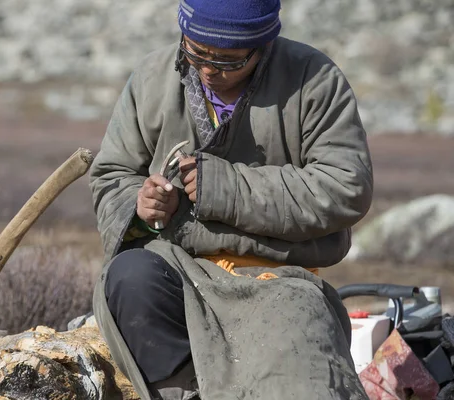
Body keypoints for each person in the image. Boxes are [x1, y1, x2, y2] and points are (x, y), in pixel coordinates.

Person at [89, 0, 373, 399]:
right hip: (176, 266)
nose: (208, 70)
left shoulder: (314, 79)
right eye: (196, 52)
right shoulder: (151, 78)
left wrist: (225, 188)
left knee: (296, 359)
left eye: (228, 61)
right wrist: (141, 206)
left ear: (263, 46)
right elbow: (111, 174)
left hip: (279, 276)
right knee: (129, 279)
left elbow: (345, 187)